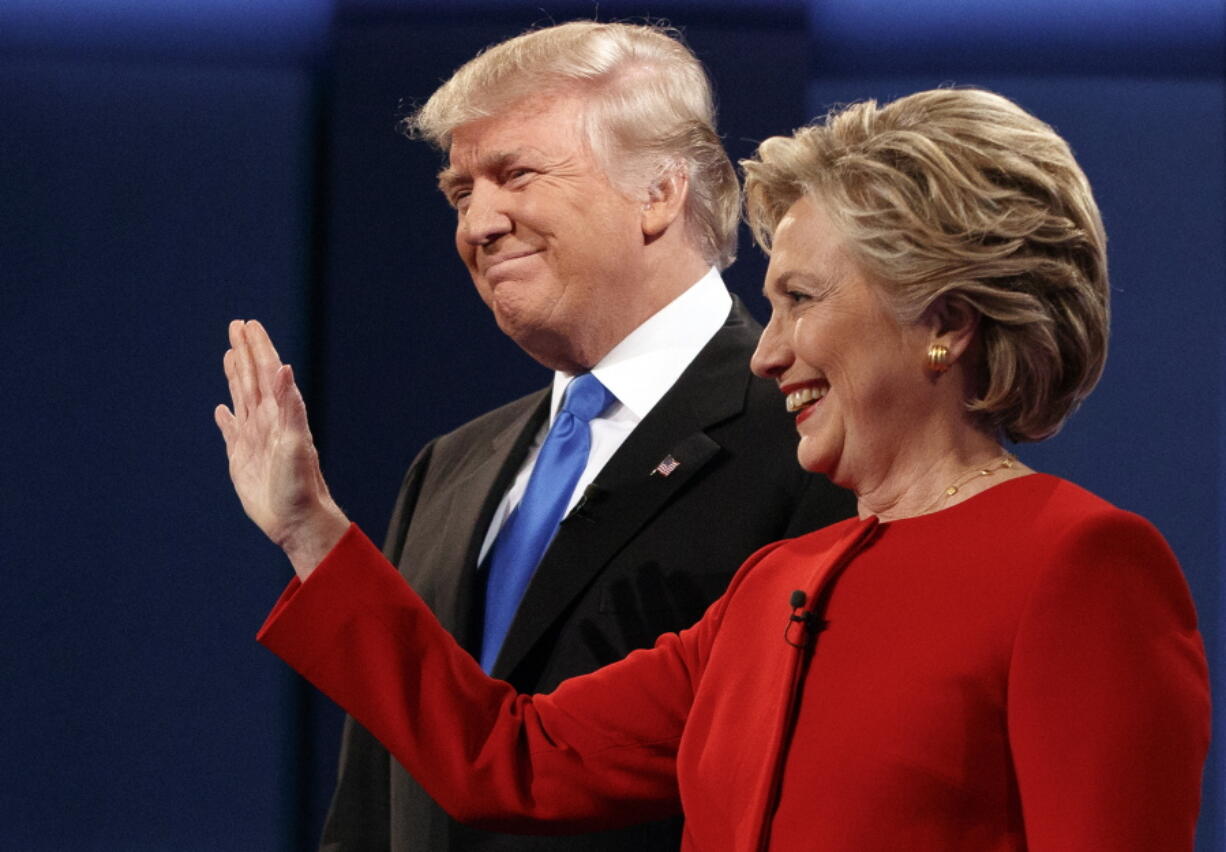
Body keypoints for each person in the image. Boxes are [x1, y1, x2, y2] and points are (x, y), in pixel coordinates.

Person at [219, 88, 1211, 850]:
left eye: (801, 299)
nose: (767, 352)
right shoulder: (773, 586)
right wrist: (310, 529)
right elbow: (512, 758)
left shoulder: (1078, 567)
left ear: (941, 322)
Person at [219, 20, 853, 852]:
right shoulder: (448, 469)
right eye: (460, 192)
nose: (477, 223)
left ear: (659, 193)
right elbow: (377, 805)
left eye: (515, 174)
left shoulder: (812, 439)